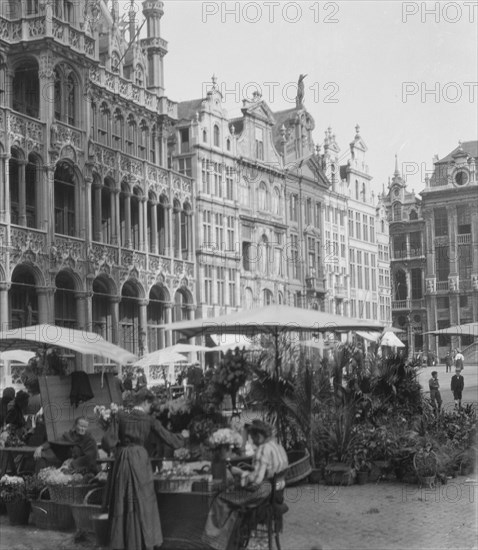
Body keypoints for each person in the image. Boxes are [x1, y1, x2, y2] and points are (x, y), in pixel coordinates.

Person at [105, 388, 184, 550]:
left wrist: (116, 445)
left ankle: (123, 542)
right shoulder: (149, 420)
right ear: (146, 402)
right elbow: (169, 439)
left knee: (123, 498)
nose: (151, 409)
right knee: (143, 499)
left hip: (123, 460)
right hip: (140, 459)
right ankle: (142, 541)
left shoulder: (119, 415)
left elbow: (108, 441)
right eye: (150, 405)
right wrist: (183, 437)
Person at [202, 419, 289, 550]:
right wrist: (247, 471)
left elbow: (256, 481)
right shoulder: (278, 446)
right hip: (275, 493)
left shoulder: (263, 450)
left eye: (252, 438)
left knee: (221, 498)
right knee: (233, 496)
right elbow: (265, 472)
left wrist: (240, 474)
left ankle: (212, 541)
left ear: (259, 436)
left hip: (262, 493)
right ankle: (230, 542)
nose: (252, 442)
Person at [34, 416, 98, 473]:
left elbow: (90, 457)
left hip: (82, 466)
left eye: (85, 427)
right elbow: (54, 442)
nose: (82, 429)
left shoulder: (89, 440)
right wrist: (40, 447)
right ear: (75, 425)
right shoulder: (69, 436)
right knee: (42, 458)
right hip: (66, 463)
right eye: (81, 426)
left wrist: (72, 464)